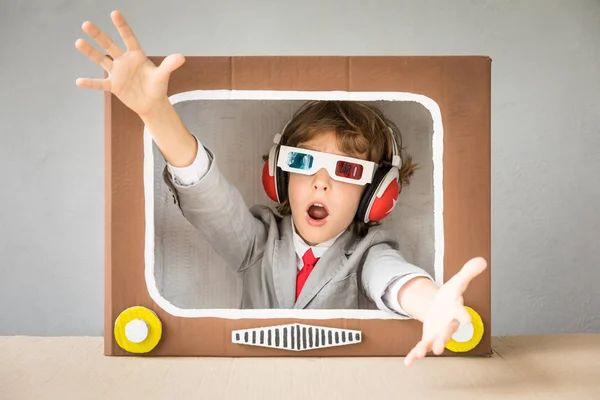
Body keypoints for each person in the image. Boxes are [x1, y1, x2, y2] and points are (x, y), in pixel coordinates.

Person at [75, 10, 487, 367]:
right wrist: (156, 112)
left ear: (377, 194)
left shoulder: (369, 253)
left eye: (345, 169)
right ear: (279, 174)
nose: (320, 181)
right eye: (304, 163)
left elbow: (396, 281)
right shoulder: (258, 241)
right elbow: (210, 197)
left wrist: (432, 305)